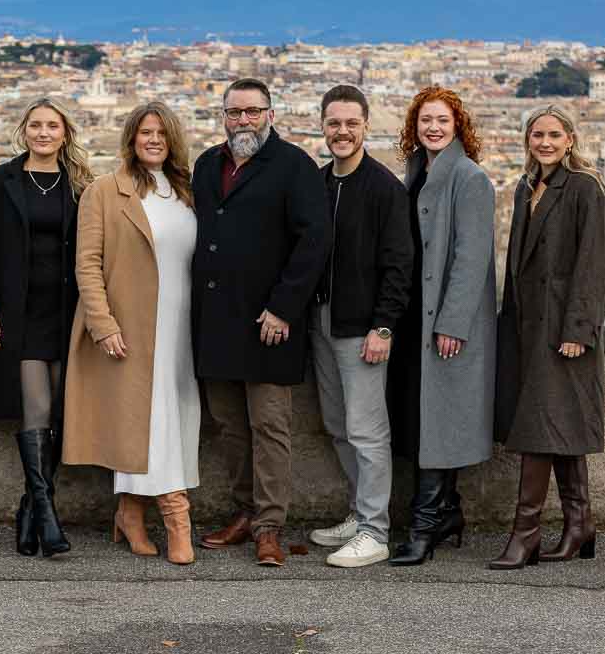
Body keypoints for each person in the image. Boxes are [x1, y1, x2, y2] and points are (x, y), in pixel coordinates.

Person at [192, 77, 330, 567]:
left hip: (270, 321)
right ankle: (244, 512)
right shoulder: (208, 164)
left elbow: (313, 243)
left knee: (270, 425)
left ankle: (270, 525)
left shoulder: (294, 165)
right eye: (235, 112)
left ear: (271, 114)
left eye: (253, 112)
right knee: (229, 426)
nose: (243, 121)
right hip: (217, 321)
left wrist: (284, 307)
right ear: (223, 116)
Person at [64, 102, 201, 565]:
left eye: (161, 133)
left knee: (171, 421)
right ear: (131, 138)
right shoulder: (105, 191)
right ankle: (177, 517)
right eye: (145, 132)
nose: (153, 140)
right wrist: (102, 324)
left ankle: (129, 511)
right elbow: (87, 263)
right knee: (148, 423)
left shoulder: (187, 192)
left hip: (180, 327)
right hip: (132, 326)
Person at [490, 104, 605, 570]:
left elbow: (593, 265)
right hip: (528, 327)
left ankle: (525, 535)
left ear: (570, 140)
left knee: (541, 430)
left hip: (563, 330)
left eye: (553, 135)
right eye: (537, 134)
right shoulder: (527, 188)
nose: (544, 142)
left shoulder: (586, 189)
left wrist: (579, 330)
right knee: (560, 426)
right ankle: (579, 523)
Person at [0, 97, 93, 557]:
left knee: (62, 415)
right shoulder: (0, 180)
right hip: (19, 314)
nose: (44, 133)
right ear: (23, 130)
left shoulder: (81, 185)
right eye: (36, 125)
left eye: (53, 126)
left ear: (65, 133)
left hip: (66, 313)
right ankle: (47, 515)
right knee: (37, 411)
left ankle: (30, 510)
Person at [386, 85, 496, 567]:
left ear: (458, 128)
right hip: (415, 314)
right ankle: (448, 511)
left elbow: (472, 258)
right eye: (425, 120)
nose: (432, 128)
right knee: (421, 417)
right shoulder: (417, 172)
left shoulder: (469, 178)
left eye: (442, 121)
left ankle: (425, 526)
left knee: (438, 423)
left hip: (444, 320)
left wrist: (453, 322)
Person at [307, 85, 413, 568]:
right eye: (334, 123)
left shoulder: (384, 188)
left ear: (367, 126)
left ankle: (375, 530)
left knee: (367, 431)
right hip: (322, 321)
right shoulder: (319, 182)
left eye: (351, 123)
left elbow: (398, 264)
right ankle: (359, 512)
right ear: (323, 126)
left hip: (363, 327)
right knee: (337, 425)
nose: (342, 131)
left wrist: (384, 327)